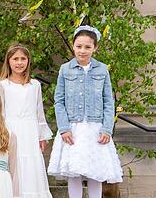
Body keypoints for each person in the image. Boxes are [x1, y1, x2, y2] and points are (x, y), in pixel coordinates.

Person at [48, 25, 123, 198]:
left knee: (94, 172)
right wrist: (64, 128)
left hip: (95, 128)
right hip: (73, 129)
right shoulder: (65, 70)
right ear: (73, 46)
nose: (82, 51)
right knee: (74, 173)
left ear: (95, 48)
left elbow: (108, 101)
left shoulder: (102, 70)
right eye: (79, 46)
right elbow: (59, 101)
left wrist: (106, 129)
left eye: (87, 47)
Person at [0, 44, 52, 198]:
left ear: (28, 61)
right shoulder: (3, 85)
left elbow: (39, 112)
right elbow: (0, 114)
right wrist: (1, 134)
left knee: (31, 166)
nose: (19, 62)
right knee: (14, 164)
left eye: (23, 59)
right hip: (11, 130)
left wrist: (42, 135)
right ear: (8, 61)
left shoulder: (35, 85)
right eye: (15, 59)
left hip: (30, 131)